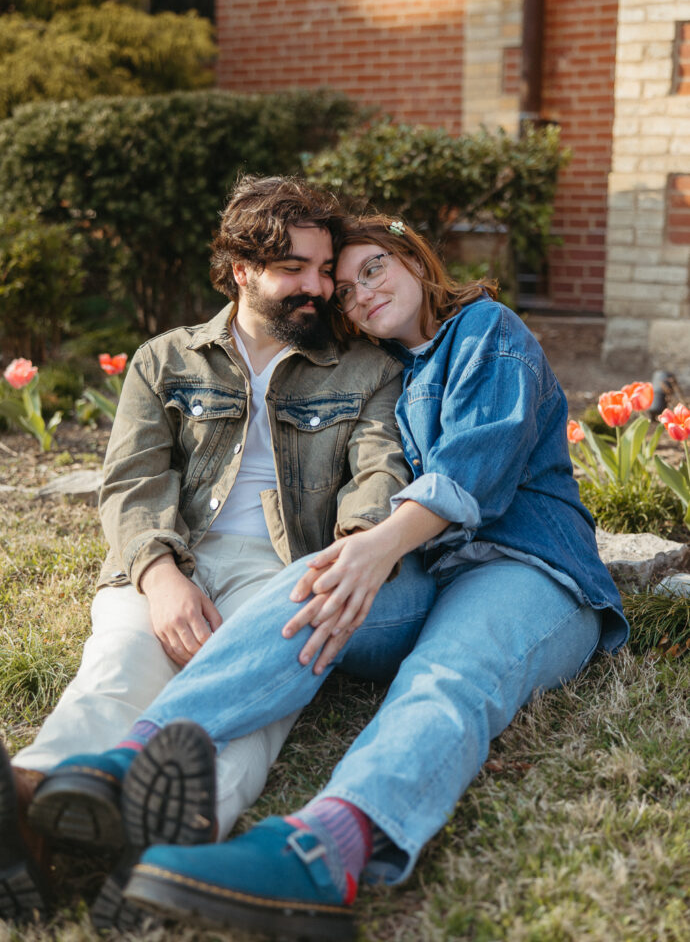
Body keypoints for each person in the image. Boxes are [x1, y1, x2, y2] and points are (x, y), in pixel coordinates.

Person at [16, 214, 628, 941]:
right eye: (344, 290)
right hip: (427, 571)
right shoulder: (392, 370)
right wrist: (359, 556)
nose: (359, 294)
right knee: (311, 588)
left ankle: (322, 849)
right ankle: (129, 758)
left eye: (373, 269)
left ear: (414, 260)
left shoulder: (489, 329)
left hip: (526, 566)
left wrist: (373, 547)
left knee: (445, 675)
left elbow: (476, 467)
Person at [0, 184, 438, 929]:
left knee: (252, 705)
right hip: (170, 558)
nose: (319, 287)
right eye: (295, 267)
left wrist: (348, 562)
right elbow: (133, 482)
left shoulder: (364, 369)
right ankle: (29, 803)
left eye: (325, 268)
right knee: (119, 665)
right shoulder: (165, 359)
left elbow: (378, 473)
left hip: (283, 570)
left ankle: (171, 841)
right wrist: (160, 575)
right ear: (240, 266)